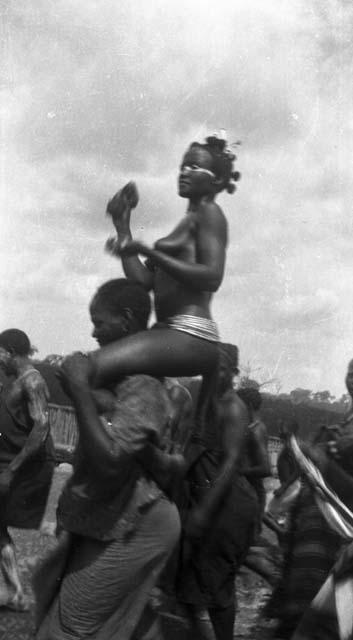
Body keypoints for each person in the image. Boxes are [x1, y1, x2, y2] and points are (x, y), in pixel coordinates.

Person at [34, 278, 183, 640]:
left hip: (137, 522)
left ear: (128, 321)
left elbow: (112, 461)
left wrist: (81, 391)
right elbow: (112, 415)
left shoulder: (145, 384)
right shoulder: (124, 381)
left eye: (100, 322)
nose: (94, 332)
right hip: (115, 516)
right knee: (118, 622)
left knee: (65, 629)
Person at [90, 133, 240, 388]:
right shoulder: (188, 221)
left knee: (88, 370)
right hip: (168, 331)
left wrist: (149, 252)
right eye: (182, 167)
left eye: (194, 167)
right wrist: (123, 227)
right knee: (102, 380)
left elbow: (212, 276)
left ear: (218, 180)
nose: (184, 172)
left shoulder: (210, 213)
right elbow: (145, 282)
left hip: (190, 332)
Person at [175, 342, 258, 640]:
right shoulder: (207, 402)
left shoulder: (233, 408)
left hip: (226, 507)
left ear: (233, 373)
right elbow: (194, 449)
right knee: (187, 584)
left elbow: (232, 462)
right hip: (206, 499)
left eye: (220, 369)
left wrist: (202, 513)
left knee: (217, 587)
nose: (213, 375)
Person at [0, 329, 54, 610]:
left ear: (9, 351)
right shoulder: (15, 380)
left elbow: (41, 428)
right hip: (11, 460)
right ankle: (14, 592)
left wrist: (11, 470)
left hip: (25, 466)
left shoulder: (32, 381)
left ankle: (17, 592)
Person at [236, 386, 271, 532]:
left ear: (248, 405)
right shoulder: (252, 428)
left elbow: (265, 468)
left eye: (238, 404)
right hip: (248, 493)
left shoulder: (256, 430)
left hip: (253, 494)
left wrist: (238, 471)